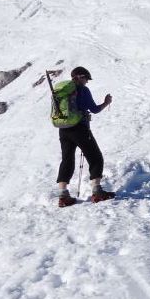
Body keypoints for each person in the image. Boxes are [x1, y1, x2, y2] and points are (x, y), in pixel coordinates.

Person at [56, 66, 114, 206]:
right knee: (95, 157)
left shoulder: (62, 92)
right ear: (80, 77)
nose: (87, 82)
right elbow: (94, 109)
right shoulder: (82, 90)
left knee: (67, 160)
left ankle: (63, 195)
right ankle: (97, 192)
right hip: (79, 129)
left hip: (63, 129)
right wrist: (106, 102)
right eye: (86, 78)